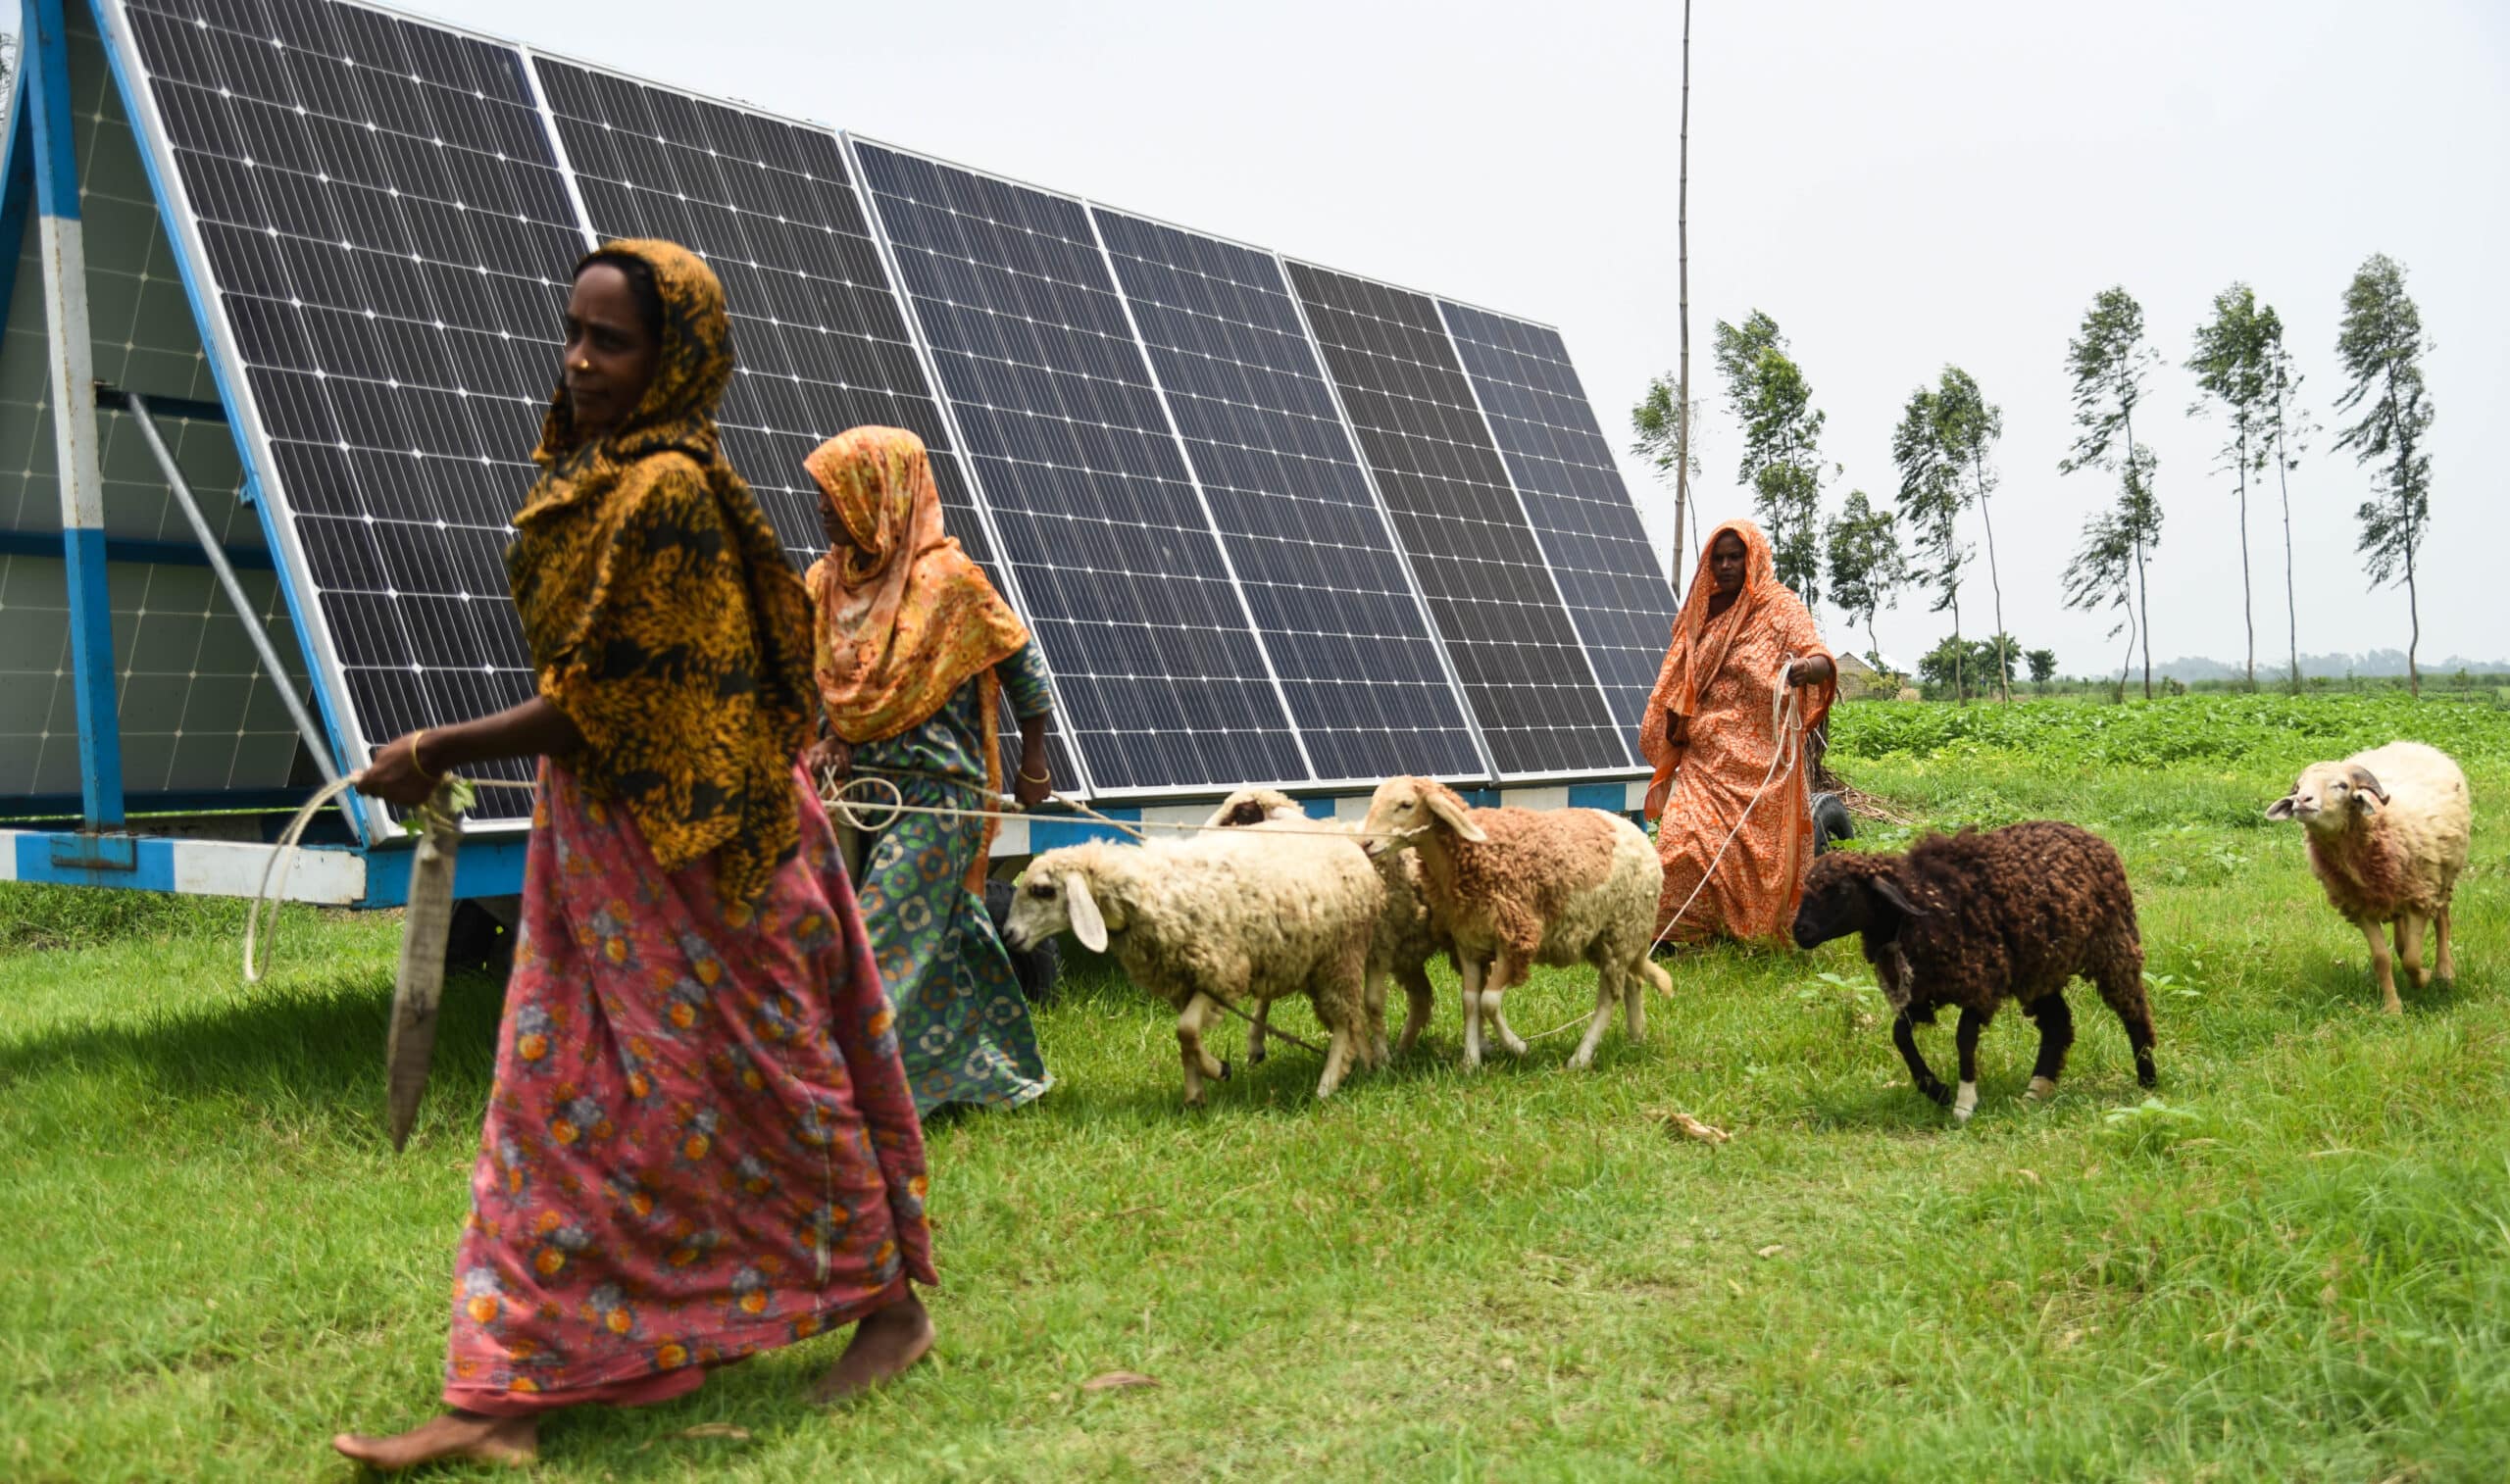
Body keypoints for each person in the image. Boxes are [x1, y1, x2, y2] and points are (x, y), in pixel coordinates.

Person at [333, 241, 936, 1470]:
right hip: (605, 842)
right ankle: (503, 1391)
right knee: (555, 1100)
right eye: (573, 330)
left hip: (711, 841)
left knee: (768, 1087)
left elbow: (605, 695)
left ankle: (892, 1307)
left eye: (611, 340)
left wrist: (440, 745)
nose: (578, 359)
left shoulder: (668, 489)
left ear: (677, 359)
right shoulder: (595, 477)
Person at [802, 426, 1057, 1117]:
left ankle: (835, 1100)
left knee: (878, 938)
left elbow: (1025, 671)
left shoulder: (949, 582)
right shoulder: (824, 583)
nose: (821, 506)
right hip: (860, 796)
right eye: (821, 493)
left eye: (837, 492)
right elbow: (829, 684)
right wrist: (832, 739)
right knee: (948, 942)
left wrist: (1033, 761)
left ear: (881, 494)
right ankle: (978, 1080)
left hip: (940, 797)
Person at [1640, 519, 1838, 945]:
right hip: (1706, 758)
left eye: (1736, 556)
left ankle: (1749, 936)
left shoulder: (1781, 608)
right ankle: (1678, 937)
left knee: (1754, 858)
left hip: (1762, 764)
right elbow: (1681, 674)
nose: (1727, 565)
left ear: (1755, 558)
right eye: (1719, 558)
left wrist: (1806, 669)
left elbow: (1818, 654)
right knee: (1680, 844)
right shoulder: (1701, 611)